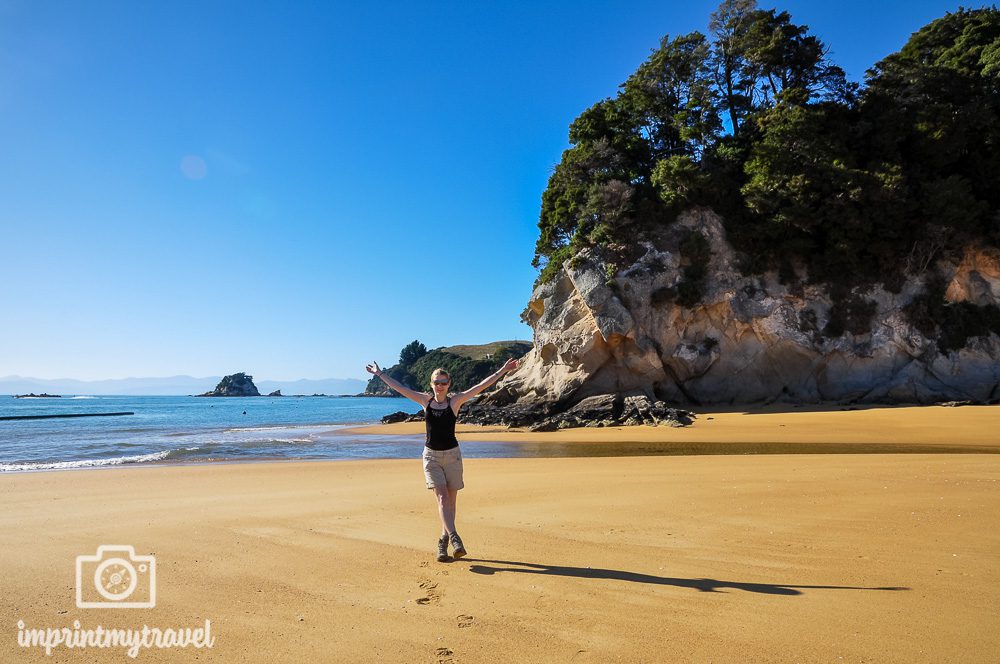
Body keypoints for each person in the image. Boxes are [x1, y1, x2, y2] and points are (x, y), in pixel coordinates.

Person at [365, 357, 519, 562]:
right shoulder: (425, 401)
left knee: (451, 504)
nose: (440, 386)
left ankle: (442, 542)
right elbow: (400, 387)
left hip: (453, 456)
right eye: (436, 382)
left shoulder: (455, 402)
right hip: (431, 457)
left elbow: (482, 385)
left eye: (443, 383)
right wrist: (379, 373)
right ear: (431, 384)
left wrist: (503, 370)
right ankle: (455, 539)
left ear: (449, 385)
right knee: (442, 499)